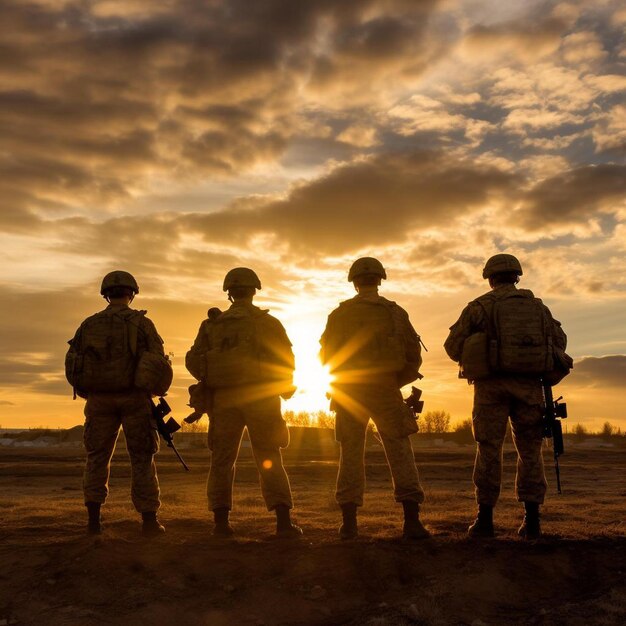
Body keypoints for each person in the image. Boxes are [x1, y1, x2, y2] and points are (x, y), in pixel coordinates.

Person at [444, 253, 571, 539]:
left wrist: (481, 353)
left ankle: (485, 521)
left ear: (490, 278)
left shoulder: (479, 307)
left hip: (490, 388)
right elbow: (559, 341)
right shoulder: (539, 308)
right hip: (529, 387)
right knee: (530, 451)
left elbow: (452, 346)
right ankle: (532, 521)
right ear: (517, 276)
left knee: (489, 449)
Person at [185, 268, 301, 538]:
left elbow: (194, 360)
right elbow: (287, 360)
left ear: (228, 292)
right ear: (254, 290)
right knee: (269, 456)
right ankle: (283, 523)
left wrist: (213, 377)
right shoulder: (268, 323)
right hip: (262, 397)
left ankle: (221, 524)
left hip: (224, 399)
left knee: (222, 460)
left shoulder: (212, 324)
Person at [319, 257, 429, 540]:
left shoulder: (339, 314)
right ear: (380, 279)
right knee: (399, 449)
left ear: (354, 282)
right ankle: (412, 522)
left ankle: (349, 524)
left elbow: (326, 356)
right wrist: (394, 381)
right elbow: (412, 357)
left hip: (349, 389)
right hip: (385, 388)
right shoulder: (395, 313)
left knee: (350, 453)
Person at [65, 270, 172, 536]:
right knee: (142, 458)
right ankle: (149, 521)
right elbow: (157, 361)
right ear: (132, 293)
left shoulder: (88, 325)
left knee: (96, 458)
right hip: (134, 399)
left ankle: (93, 521)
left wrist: (90, 391)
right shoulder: (141, 323)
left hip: (99, 400)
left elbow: (74, 363)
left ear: (105, 294)